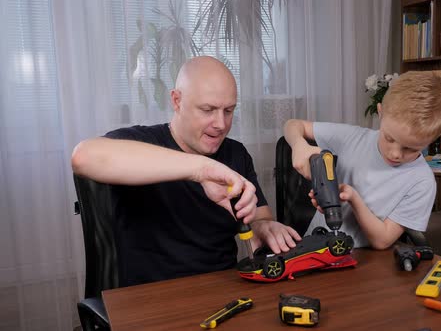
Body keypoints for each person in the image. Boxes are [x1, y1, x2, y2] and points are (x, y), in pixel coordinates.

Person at [71, 56, 301, 286]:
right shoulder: (142, 143)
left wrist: (263, 226)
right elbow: (83, 157)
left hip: (222, 291)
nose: (221, 124)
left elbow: (260, 217)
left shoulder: (236, 154)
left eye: (228, 111)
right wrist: (201, 169)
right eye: (208, 110)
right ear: (177, 101)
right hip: (151, 299)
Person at [284, 71, 441, 250]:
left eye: (410, 148)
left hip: (365, 262)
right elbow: (293, 125)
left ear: (432, 139)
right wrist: (298, 145)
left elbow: (382, 240)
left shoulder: (422, 182)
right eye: (389, 138)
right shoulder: (353, 138)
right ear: (380, 113)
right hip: (314, 247)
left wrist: (354, 199)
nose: (395, 154)